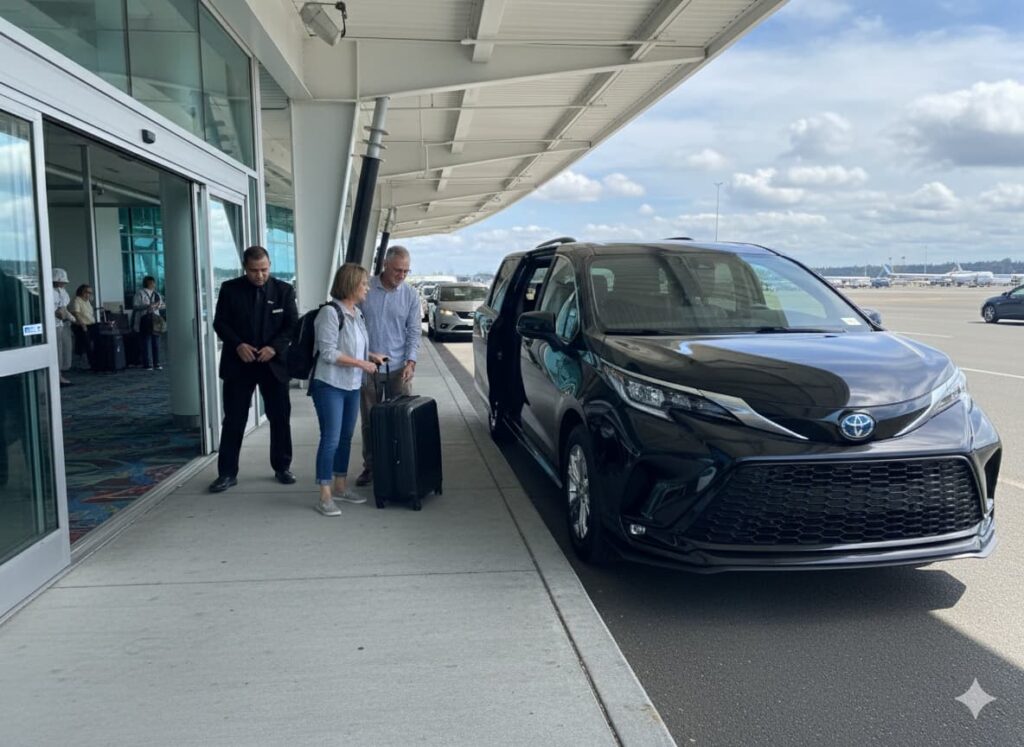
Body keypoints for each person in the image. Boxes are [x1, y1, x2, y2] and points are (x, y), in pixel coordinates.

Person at [209, 245, 298, 493]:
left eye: (264, 270)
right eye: (254, 270)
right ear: (245, 268)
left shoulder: (283, 290)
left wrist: (275, 348)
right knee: (234, 420)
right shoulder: (230, 289)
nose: (260, 275)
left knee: (279, 418)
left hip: (273, 365)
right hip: (240, 365)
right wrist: (237, 345)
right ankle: (227, 473)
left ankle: (282, 467)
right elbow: (220, 322)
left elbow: (292, 325)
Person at [309, 263, 388, 516]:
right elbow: (328, 352)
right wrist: (361, 363)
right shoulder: (330, 313)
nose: (367, 288)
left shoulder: (357, 313)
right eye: (364, 284)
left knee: (345, 438)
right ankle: (325, 494)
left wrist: (371, 356)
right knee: (330, 437)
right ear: (351, 284)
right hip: (330, 384)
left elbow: (356, 347)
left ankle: (341, 486)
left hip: (352, 384)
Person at [355, 245, 421, 486]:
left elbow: (414, 332)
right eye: (397, 270)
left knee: (401, 419)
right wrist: (363, 358)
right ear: (385, 265)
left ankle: (402, 466)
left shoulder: (411, 295)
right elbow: (353, 326)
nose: (401, 276)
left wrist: (411, 362)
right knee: (370, 421)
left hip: (397, 369)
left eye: (406, 271)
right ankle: (371, 467)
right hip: (368, 368)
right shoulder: (366, 289)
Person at [132, 276, 164, 370]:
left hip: (155, 319)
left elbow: (162, 305)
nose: (153, 285)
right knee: (146, 342)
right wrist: (147, 306)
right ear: (148, 283)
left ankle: (156, 363)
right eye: (152, 283)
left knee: (156, 342)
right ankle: (147, 363)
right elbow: (135, 306)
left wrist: (157, 306)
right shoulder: (140, 293)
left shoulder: (157, 294)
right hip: (144, 319)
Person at [52, 268, 74, 386]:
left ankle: (60, 372)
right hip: (53, 325)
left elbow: (64, 308)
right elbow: (57, 311)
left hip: (62, 324)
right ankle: (57, 376)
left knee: (63, 350)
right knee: (56, 351)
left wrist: (70, 317)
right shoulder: (49, 291)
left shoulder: (62, 292)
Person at [68, 284, 95, 370]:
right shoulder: (77, 300)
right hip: (81, 326)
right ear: (81, 292)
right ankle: (84, 364)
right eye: (86, 292)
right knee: (84, 345)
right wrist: (83, 325)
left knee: (90, 345)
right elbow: (76, 313)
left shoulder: (87, 301)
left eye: (90, 293)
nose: (88, 294)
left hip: (90, 325)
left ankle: (91, 363)